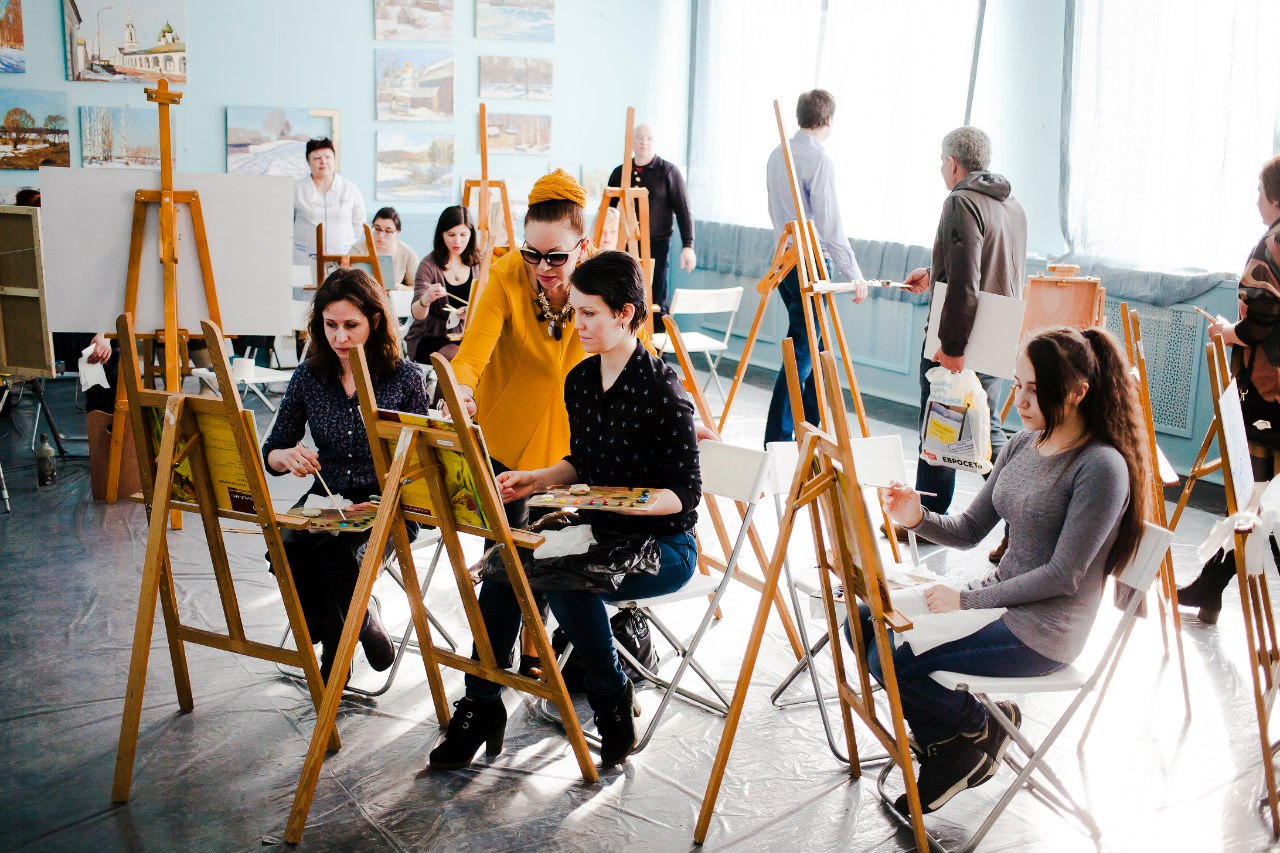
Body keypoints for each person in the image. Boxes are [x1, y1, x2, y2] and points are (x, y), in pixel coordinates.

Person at [428, 251, 701, 771]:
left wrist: (621, 501)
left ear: (625, 313)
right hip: (598, 535)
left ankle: (610, 696)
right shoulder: (580, 381)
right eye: (576, 312)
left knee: (564, 579)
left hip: (664, 546)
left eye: (590, 314)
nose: (578, 325)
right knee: (506, 568)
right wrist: (536, 479)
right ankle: (481, 704)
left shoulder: (663, 392)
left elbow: (685, 495)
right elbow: (582, 462)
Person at [869, 326, 1147, 815]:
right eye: (1019, 384)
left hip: (1044, 630)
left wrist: (965, 600)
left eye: (1036, 390)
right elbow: (970, 529)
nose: (1020, 400)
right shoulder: (1023, 444)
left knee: (895, 657)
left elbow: (1063, 576)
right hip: (997, 602)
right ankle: (960, 738)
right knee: (864, 622)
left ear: (1078, 392)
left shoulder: (1101, 466)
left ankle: (969, 734)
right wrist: (916, 517)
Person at [262, 267, 431, 685]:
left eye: (351, 326)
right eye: (330, 325)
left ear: (374, 321)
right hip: (327, 495)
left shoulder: (405, 377)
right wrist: (287, 456)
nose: (340, 337)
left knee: (337, 555)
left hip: (390, 502)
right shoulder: (309, 376)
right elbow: (273, 450)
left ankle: (337, 651)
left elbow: (423, 464)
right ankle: (360, 618)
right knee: (285, 549)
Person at [904, 126, 1028, 523]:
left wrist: (952, 346)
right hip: (997, 332)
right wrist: (935, 271)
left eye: (942, 162)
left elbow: (965, 279)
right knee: (980, 427)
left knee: (943, 427)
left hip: (963, 336)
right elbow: (991, 266)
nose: (942, 169)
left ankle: (932, 517)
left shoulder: (960, 201)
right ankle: (938, 515)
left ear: (953, 162)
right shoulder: (1012, 206)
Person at [1177, 154, 1280, 623]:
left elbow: (1260, 320)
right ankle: (1210, 588)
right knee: (1257, 499)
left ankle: (1210, 587)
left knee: (1255, 499)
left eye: (1260, 191)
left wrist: (1227, 331)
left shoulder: (1273, 243)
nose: (1256, 200)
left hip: (1268, 393)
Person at [763, 90, 868, 445]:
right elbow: (830, 225)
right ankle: (778, 439)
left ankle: (812, 431)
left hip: (785, 261)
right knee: (802, 353)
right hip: (809, 262)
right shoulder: (818, 160)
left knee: (812, 347)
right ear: (828, 120)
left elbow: (776, 212)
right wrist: (854, 274)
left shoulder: (777, 154)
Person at [607, 123, 695, 318]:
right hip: (624, 246)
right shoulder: (620, 172)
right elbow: (608, 212)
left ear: (655, 142)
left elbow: (684, 211)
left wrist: (688, 245)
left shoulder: (668, 172)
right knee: (625, 295)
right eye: (639, 138)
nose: (644, 142)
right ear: (632, 142)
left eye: (649, 139)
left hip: (657, 245)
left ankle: (657, 335)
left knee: (655, 297)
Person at [405, 205, 479, 363]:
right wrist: (426, 299)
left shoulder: (478, 264)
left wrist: (471, 311)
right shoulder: (428, 265)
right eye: (451, 234)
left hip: (465, 336)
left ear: (471, 234)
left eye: (463, 234)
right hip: (429, 337)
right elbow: (417, 314)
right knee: (458, 356)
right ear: (441, 234)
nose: (457, 241)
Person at [293, 138, 367, 264]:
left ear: (334, 159)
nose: (323, 161)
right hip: (304, 257)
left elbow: (359, 222)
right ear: (308, 162)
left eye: (327, 157)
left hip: (343, 256)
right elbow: (286, 222)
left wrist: (346, 242)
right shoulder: (297, 188)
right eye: (317, 158)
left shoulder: (349, 188)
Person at [351, 207, 419, 291]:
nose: (381, 235)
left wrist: (400, 288)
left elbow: (417, 288)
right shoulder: (358, 249)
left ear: (398, 232)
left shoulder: (409, 255)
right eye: (377, 229)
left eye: (388, 231)